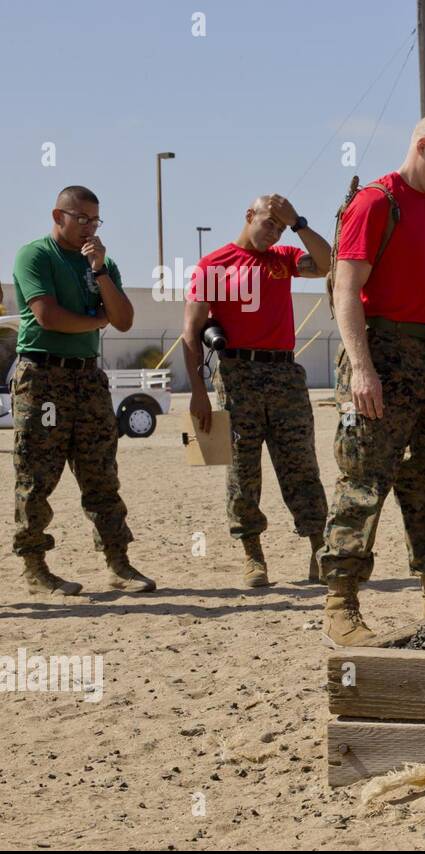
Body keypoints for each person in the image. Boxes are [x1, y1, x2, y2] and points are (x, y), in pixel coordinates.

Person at [318, 111, 425, 645]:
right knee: (364, 481)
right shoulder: (375, 203)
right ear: (423, 145)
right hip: (378, 351)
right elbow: (345, 290)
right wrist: (361, 366)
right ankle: (340, 603)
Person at [10, 185, 155, 594]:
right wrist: (97, 320)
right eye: (82, 219)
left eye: (95, 219)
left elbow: (123, 319)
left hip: (88, 378)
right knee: (37, 475)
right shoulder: (35, 255)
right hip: (43, 377)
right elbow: (49, 317)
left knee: (101, 474)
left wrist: (100, 269)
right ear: (59, 216)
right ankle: (35, 568)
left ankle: (118, 564)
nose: (89, 227)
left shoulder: (101, 264)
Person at [182, 194, 332, 588]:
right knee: (241, 470)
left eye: (279, 227)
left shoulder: (283, 257)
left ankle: (319, 549)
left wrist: (298, 224)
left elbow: (328, 263)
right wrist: (196, 392)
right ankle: (253, 557)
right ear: (249, 216)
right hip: (236, 376)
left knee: (301, 465)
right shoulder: (213, 265)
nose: (273, 232)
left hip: (284, 374)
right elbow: (190, 331)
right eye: (268, 223)